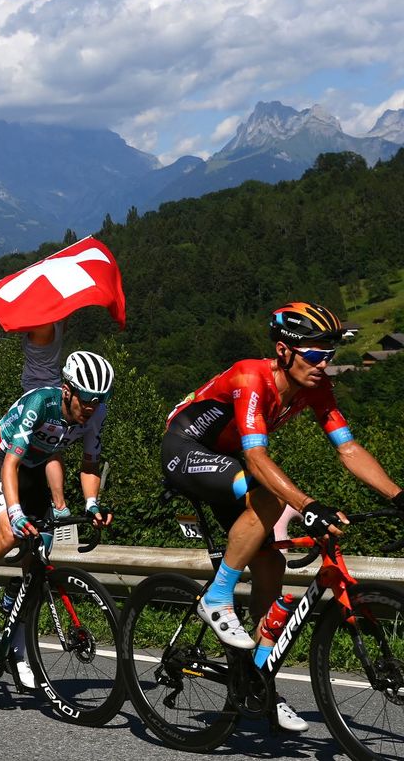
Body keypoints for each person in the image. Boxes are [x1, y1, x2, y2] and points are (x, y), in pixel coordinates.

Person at [162, 302, 404, 733]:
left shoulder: (316, 388)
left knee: (271, 562)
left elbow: (348, 450)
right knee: (271, 499)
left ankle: (256, 681)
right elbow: (256, 458)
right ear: (284, 350)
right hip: (185, 449)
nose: (323, 362)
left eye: (329, 352)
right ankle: (215, 598)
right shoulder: (250, 376)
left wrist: (399, 495)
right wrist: (309, 506)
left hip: (226, 460)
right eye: (313, 353)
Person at [0, 350, 115, 690]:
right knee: (11, 533)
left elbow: (89, 465)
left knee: (38, 557)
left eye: (99, 401)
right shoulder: (40, 404)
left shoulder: (96, 415)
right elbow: (11, 464)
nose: (90, 408)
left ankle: (18, 645)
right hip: (0, 461)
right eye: (86, 399)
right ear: (67, 390)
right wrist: (13, 513)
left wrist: (91, 504)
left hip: (36, 468)